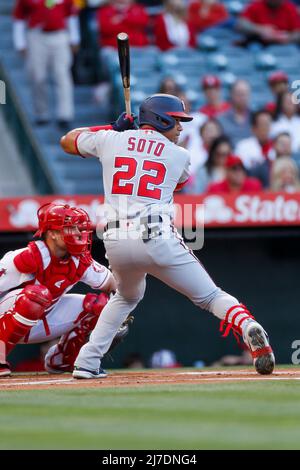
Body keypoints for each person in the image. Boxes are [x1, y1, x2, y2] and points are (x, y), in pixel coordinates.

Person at [60, 93, 275, 379]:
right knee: (210, 296)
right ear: (160, 119)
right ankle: (248, 327)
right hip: (156, 235)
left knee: (125, 296)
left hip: (116, 241)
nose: (181, 127)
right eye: (177, 120)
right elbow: (180, 181)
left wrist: (113, 129)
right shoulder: (180, 155)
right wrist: (133, 141)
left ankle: (87, 362)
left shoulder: (110, 139)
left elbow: (67, 141)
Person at [0, 202, 131, 377]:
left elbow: (115, 286)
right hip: (7, 317)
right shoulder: (26, 257)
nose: (78, 233)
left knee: (100, 306)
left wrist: (116, 315)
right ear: (52, 233)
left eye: (79, 228)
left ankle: (62, 360)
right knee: (37, 295)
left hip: (43, 319)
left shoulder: (79, 260)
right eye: (71, 228)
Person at [13, 0, 80, 129]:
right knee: (37, 76)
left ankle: (65, 115)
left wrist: (74, 38)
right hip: (36, 35)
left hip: (60, 35)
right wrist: (20, 43)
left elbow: (71, 15)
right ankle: (41, 113)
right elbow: (19, 17)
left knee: (62, 75)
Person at [217, 79, 252, 147]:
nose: (243, 97)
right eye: (239, 94)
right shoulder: (220, 120)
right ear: (231, 95)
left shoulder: (256, 118)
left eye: (245, 94)